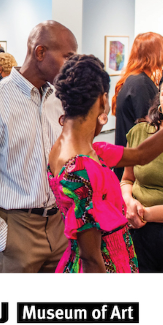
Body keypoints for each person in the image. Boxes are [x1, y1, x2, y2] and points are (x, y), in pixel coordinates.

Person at [0, 21, 77, 273]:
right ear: (40, 52)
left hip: (60, 227)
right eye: (68, 57)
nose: (72, 65)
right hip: (16, 230)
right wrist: (0, 235)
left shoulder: (59, 101)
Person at [49, 54, 163, 273]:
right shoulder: (80, 171)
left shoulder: (81, 151)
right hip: (103, 267)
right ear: (102, 100)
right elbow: (91, 258)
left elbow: (141, 155)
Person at [122, 83, 163, 272]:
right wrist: (128, 201)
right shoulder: (140, 132)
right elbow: (127, 179)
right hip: (137, 230)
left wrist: (144, 214)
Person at [112, 32, 163, 179]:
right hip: (134, 170)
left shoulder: (135, 79)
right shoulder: (140, 83)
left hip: (129, 162)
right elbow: (147, 129)